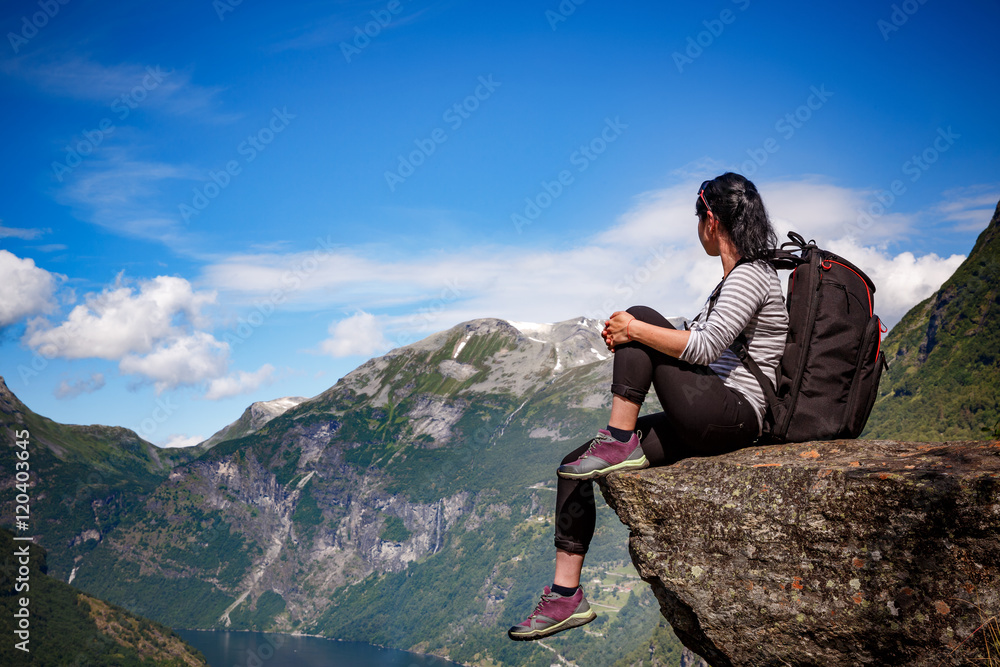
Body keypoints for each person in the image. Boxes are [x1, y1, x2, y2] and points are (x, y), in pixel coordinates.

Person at [507, 172, 789, 641]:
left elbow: (702, 346)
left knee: (640, 318)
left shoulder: (752, 275)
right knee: (575, 465)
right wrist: (628, 329)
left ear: (710, 220)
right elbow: (697, 332)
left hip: (736, 415)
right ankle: (565, 596)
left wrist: (634, 329)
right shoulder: (735, 281)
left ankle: (619, 438)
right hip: (708, 417)